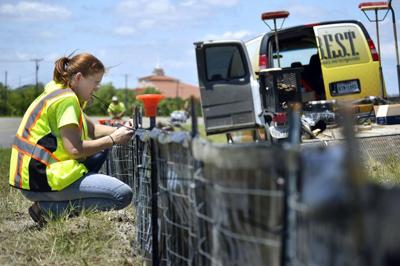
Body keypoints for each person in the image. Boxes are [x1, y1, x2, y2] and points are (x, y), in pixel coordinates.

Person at [8, 53, 134, 226]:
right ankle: (48, 209)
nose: (97, 88)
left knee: (101, 150)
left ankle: (50, 206)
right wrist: (114, 139)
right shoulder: (67, 101)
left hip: (31, 176)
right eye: (95, 82)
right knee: (122, 195)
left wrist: (123, 130)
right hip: (40, 178)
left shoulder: (60, 92)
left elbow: (93, 130)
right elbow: (74, 150)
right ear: (79, 78)